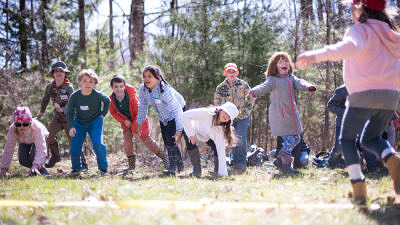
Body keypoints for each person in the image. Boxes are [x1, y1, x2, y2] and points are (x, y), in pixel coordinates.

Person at [296, 0, 400, 204]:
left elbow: (350, 47)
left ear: (361, 8)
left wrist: (315, 55)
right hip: (389, 96)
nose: (352, 11)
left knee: (347, 140)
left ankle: (359, 187)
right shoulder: (391, 34)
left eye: (353, 7)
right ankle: (392, 159)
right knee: (370, 139)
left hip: (363, 94)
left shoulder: (360, 30)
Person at [248, 51, 316, 174]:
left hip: (292, 115)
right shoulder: (273, 80)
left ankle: (280, 160)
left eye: (286, 61)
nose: (284, 63)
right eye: (280, 61)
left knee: (296, 138)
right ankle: (285, 165)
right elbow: (263, 86)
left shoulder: (291, 78)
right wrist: (254, 92)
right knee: (290, 140)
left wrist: (308, 86)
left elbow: (300, 82)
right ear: (275, 66)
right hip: (281, 115)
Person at [109, 75, 168, 170]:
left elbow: (140, 112)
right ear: (112, 87)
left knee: (146, 140)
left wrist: (134, 128)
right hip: (126, 123)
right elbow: (113, 112)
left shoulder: (132, 97)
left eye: (121, 86)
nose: (119, 89)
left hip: (140, 120)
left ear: (124, 86)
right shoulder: (112, 99)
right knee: (127, 143)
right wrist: (123, 121)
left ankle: (165, 158)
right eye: (116, 87)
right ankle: (131, 166)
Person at [37, 61, 88, 170]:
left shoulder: (69, 88)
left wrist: (62, 109)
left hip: (70, 119)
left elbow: (73, 104)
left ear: (65, 74)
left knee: (74, 142)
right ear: (53, 74)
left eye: (61, 71)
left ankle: (83, 164)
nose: (59, 73)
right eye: (56, 71)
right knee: (47, 135)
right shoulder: (50, 87)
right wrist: (41, 111)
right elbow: (45, 99)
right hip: (58, 119)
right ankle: (55, 155)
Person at [137, 65, 185, 176]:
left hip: (177, 111)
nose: (147, 79)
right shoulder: (143, 89)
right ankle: (179, 165)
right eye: (144, 76)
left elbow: (177, 109)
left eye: (150, 76)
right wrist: (140, 121)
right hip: (163, 116)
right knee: (167, 139)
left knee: (172, 139)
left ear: (158, 77)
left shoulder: (164, 89)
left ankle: (172, 168)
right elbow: (143, 105)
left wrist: (179, 128)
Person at [66, 69, 111, 177]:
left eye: (91, 82)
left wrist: (102, 115)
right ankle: (76, 169)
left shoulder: (97, 95)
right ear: (80, 82)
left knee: (98, 144)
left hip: (95, 122)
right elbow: (70, 113)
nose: (87, 84)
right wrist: (71, 126)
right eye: (85, 81)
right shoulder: (75, 96)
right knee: (75, 148)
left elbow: (107, 101)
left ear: (94, 83)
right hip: (79, 123)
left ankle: (104, 169)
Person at [214, 63, 253, 174]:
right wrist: (222, 117)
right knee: (231, 138)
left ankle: (240, 163)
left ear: (237, 73)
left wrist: (244, 112)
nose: (231, 74)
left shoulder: (243, 85)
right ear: (225, 73)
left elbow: (251, 98)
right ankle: (233, 160)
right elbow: (217, 103)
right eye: (229, 72)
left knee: (240, 136)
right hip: (227, 118)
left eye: (233, 72)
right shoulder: (221, 87)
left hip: (242, 116)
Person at [182, 102, 239, 176]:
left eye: (229, 117)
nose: (226, 116)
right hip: (193, 130)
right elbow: (185, 115)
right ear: (221, 110)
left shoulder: (220, 130)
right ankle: (197, 170)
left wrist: (223, 175)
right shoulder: (207, 112)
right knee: (190, 141)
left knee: (217, 147)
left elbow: (221, 151)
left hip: (207, 136)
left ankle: (217, 170)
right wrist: (191, 134)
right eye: (226, 113)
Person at [0, 107, 50, 177]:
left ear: (30, 122)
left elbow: (41, 149)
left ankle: (39, 170)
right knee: (22, 160)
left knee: (34, 156)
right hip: (23, 140)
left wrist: (36, 164)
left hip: (39, 138)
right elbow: (8, 148)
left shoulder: (37, 128)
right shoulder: (13, 129)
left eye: (25, 124)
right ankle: (36, 170)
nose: (21, 127)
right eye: (18, 124)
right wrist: (4, 168)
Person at [326, 85, 348, 169]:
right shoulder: (342, 90)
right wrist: (345, 112)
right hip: (342, 123)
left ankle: (372, 168)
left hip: (361, 122)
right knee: (339, 146)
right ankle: (331, 164)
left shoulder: (365, 88)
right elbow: (330, 105)